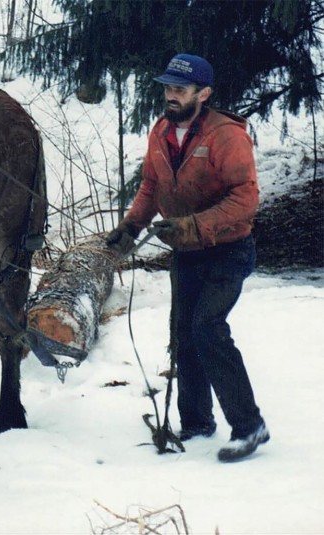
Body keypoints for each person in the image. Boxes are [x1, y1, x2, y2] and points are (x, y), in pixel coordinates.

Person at [106, 53, 269, 462]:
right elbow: (150, 186)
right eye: (168, 88)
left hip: (227, 250)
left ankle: (250, 427)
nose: (171, 96)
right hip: (186, 253)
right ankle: (196, 422)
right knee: (183, 336)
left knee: (208, 329)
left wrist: (193, 225)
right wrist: (131, 228)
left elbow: (246, 199)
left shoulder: (226, 135)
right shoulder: (161, 131)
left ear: (204, 93)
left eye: (180, 89)